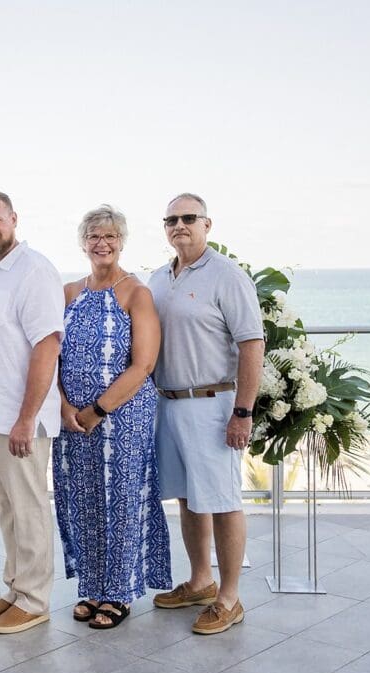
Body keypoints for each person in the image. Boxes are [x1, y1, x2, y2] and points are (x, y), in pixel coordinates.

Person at [148, 193, 264, 635]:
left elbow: (252, 344)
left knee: (222, 501)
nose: (179, 225)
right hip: (167, 403)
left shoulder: (227, 276)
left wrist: (243, 412)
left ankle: (230, 598)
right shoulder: (159, 278)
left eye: (188, 218)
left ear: (207, 224)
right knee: (188, 498)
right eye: (171, 219)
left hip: (214, 404)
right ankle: (200, 581)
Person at [53, 205, 172, 630]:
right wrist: (66, 406)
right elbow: (54, 356)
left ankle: (119, 593)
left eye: (110, 236)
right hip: (73, 423)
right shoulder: (69, 292)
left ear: (121, 241)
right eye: (94, 236)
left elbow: (142, 365)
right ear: (83, 242)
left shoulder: (136, 293)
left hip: (121, 418)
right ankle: (91, 586)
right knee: (82, 499)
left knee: (121, 499)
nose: (102, 243)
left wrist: (98, 409)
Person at [0, 191, 64, 635]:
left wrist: (26, 417)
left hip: (18, 419)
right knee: (6, 508)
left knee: (28, 509)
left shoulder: (34, 270)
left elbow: (48, 345)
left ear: (14, 220)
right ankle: (16, 588)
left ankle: (36, 599)